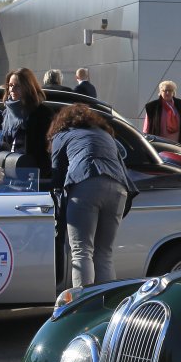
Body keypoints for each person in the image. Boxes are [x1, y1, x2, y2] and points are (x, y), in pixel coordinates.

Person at [49, 104, 134, 292]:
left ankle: (84, 304)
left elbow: (57, 175)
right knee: (104, 253)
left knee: (82, 252)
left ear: (62, 121)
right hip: (118, 188)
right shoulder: (105, 134)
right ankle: (107, 303)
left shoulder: (63, 135)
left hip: (85, 183)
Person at [0, 68, 56, 175]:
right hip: (10, 170)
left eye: (17, 86)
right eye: (10, 85)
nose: (12, 89)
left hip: (34, 173)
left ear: (28, 88)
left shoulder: (42, 113)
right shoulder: (6, 113)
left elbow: (46, 149)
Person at [141, 80, 181, 146]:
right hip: (159, 144)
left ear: (173, 92)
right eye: (165, 90)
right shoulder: (153, 106)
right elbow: (147, 126)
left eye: (170, 90)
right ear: (160, 92)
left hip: (178, 143)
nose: (167, 93)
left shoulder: (180, 104)